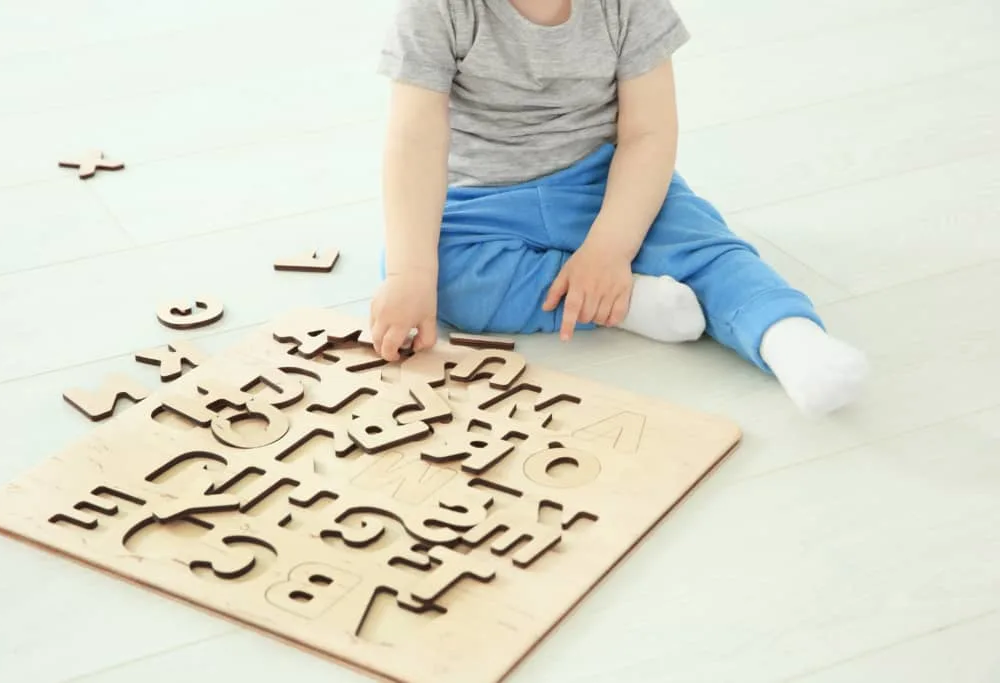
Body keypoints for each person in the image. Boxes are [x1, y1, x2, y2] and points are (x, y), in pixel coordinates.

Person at [368, 0, 868, 416]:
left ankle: (788, 338)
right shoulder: (435, 9)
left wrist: (610, 246)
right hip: (483, 196)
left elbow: (648, 133)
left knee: (704, 246)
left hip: (607, 180)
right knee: (435, 273)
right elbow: (414, 143)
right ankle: (627, 303)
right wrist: (411, 275)